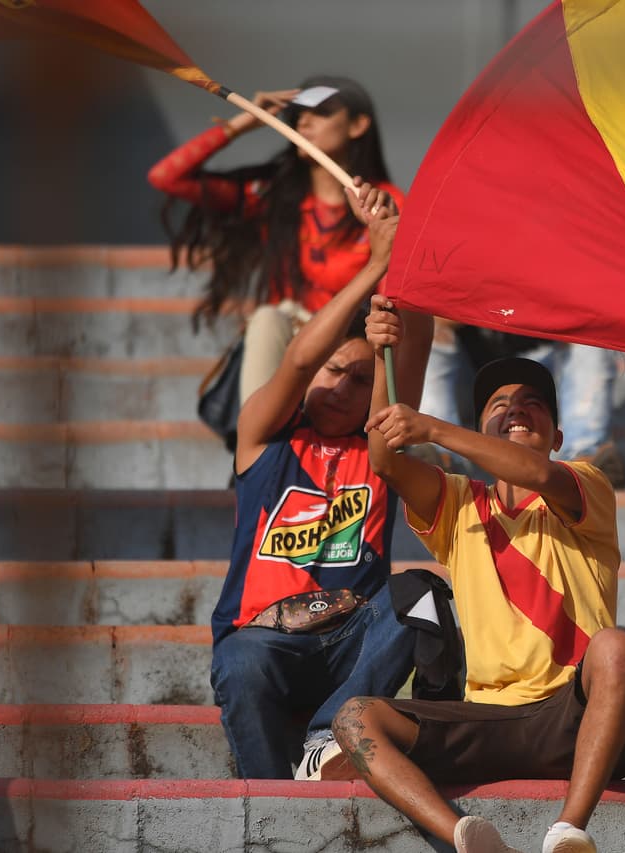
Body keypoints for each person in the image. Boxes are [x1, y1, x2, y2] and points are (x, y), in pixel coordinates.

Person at [333, 294, 625, 853]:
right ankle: (464, 834)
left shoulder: (584, 483)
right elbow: (383, 458)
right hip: (486, 718)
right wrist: (386, 350)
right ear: (482, 425)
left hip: (573, 715)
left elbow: (531, 470)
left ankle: (568, 830)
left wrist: (434, 427)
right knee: (356, 719)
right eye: (499, 405)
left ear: (557, 437)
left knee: (616, 648)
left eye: (532, 404)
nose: (515, 410)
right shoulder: (457, 502)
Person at [208, 183, 424, 780]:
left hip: (353, 638)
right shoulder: (264, 436)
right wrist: (376, 263)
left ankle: (328, 740)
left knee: (421, 596)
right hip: (263, 639)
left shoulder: (380, 452)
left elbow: (409, 366)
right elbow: (299, 358)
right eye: (335, 371)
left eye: (360, 380)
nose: (340, 388)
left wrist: (404, 272)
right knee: (242, 660)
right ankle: (272, 805)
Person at [148, 74, 405, 417]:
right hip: (288, 341)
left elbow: (399, 296)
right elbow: (166, 177)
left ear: (358, 125)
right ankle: (258, 443)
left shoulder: (387, 202)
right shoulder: (271, 194)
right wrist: (244, 122)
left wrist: (375, 228)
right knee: (268, 318)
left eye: (322, 112)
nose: (304, 121)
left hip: (355, 346)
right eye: (298, 114)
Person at [419, 320, 625, 487]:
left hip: (546, 368)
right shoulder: (459, 269)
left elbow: (582, 308)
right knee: (428, 325)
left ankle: (585, 459)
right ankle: (441, 457)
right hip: (471, 380)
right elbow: (439, 315)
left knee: (591, 328)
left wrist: (520, 298)